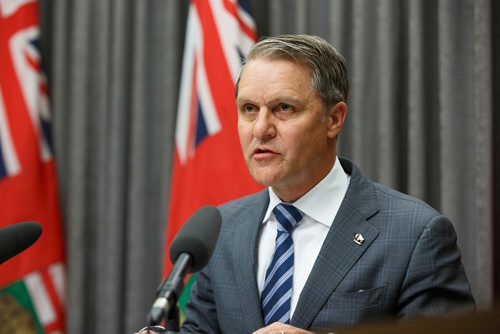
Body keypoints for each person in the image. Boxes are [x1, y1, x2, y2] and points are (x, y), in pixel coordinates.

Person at [142, 34, 475, 334]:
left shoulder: (415, 234)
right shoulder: (223, 229)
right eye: (248, 109)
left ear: (333, 119)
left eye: (283, 108)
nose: (260, 129)